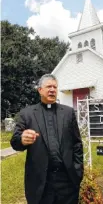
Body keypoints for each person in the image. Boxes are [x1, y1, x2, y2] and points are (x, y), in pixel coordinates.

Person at [10, 74, 84, 204]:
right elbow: (15, 142)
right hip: (40, 182)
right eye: (48, 86)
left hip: (67, 180)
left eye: (55, 87)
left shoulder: (68, 113)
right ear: (40, 90)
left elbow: (77, 143)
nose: (52, 90)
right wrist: (21, 139)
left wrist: (77, 171)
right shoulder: (27, 114)